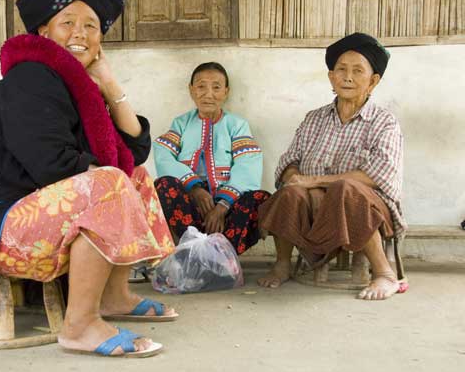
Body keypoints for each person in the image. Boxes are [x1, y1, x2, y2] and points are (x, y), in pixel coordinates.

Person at [0, 0, 177, 357]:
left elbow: (134, 151)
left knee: (134, 178)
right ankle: (80, 326)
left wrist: (110, 86)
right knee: (108, 183)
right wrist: (108, 180)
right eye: (68, 22)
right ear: (44, 32)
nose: (81, 32)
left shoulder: (80, 89)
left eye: (91, 25)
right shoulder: (31, 77)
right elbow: (52, 165)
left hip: (33, 218)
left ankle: (114, 297)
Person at [257, 32, 407, 301]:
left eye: (357, 71)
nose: (348, 77)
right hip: (313, 202)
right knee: (289, 192)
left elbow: (379, 173)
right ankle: (282, 264)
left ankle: (385, 274)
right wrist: (295, 179)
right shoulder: (314, 118)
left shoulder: (384, 122)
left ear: (373, 82)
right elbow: (289, 161)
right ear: (331, 77)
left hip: (365, 205)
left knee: (346, 189)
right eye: (341, 69)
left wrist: (314, 182)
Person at [154, 62, 270, 255]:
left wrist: (223, 206)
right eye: (201, 86)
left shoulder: (237, 125)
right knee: (164, 185)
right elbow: (163, 154)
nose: (208, 94)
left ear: (226, 92)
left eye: (216, 87)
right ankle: (192, 250)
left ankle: (221, 256)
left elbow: (248, 164)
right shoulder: (181, 124)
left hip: (227, 207)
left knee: (260, 199)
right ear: (191, 91)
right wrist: (195, 189)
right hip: (190, 206)